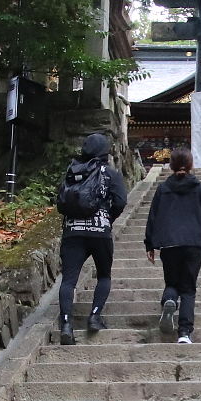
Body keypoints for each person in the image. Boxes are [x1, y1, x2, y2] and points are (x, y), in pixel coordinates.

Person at [53, 132, 128, 345]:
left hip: (72, 232)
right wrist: (107, 217)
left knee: (68, 280)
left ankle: (66, 324)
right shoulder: (110, 174)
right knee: (104, 275)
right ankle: (95, 316)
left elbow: (62, 199)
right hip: (99, 231)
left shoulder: (72, 170)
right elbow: (121, 201)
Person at [144, 146, 201, 344]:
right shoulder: (200, 188)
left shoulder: (163, 189)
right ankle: (184, 333)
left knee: (171, 283)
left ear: (171, 166)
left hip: (169, 244)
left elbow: (153, 217)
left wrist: (149, 244)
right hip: (194, 244)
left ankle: (169, 300)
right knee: (188, 289)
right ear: (190, 165)